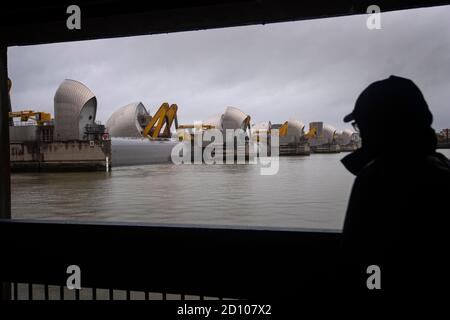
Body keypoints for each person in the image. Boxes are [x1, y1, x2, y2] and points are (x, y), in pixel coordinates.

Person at [340, 75, 450, 295]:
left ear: (378, 126)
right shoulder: (442, 170)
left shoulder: (378, 179)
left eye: (361, 125)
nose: (361, 133)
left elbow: (360, 261)